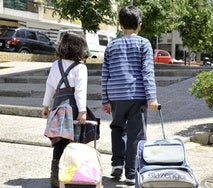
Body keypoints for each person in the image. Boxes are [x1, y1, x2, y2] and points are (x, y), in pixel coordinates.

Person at [101, 5, 159, 186]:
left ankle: (117, 164)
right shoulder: (144, 44)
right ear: (140, 25)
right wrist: (152, 98)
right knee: (136, 134)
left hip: (116, 96)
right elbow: (147, 72)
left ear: (120, 25)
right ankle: (131, 174)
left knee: (117, 128)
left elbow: (105, 73)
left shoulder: (111, 44)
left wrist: (105, 99)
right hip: (137, 96)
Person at [42, 32, 88, 188]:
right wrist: (82, 111)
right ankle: (72, 174)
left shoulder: (56, 65)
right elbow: (80, 91)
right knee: (74, 140)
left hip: (57, 106)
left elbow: (50, 86)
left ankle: (55, 175)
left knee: (59, 140)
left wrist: (45, 106)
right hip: (72, 108)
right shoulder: (80, 67)